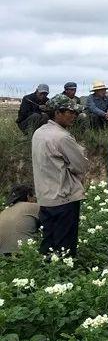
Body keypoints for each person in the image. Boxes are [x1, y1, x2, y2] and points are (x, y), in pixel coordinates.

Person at [31, 96, 88, 256]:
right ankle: (63, 277)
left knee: (49, 243)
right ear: (57, 113)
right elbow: (81, 166)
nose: (74, 115)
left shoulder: (39, 133)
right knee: (65, 247)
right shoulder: (62, 137)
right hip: (64, 198)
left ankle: (47, 276)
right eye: (70, 112)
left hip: (45, 197)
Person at [0, 184, 40, 255]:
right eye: (33, 196)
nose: (35, 199)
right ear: (28, 196)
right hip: (23, 254)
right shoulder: (33, 206)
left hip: (2, 256)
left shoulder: (4, 211)